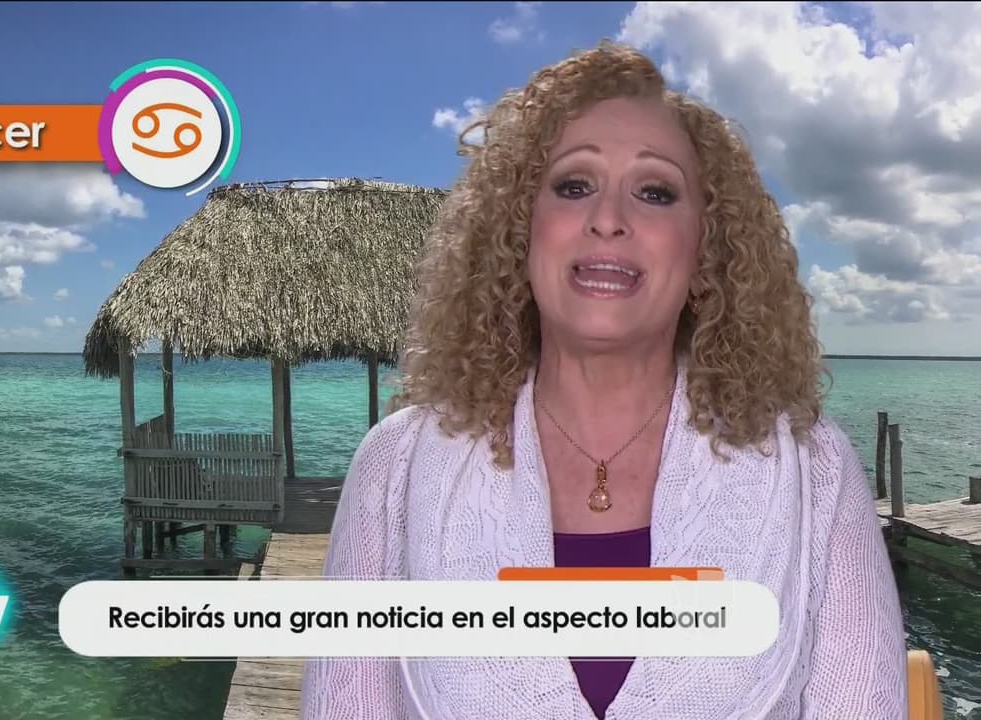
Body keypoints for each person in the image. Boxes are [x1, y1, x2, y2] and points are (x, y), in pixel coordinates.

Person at [299, 41, 907, 720]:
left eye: (655, 192)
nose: (609, 218)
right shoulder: (396, 466)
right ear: (519, 230)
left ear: (706, 249)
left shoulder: (813, 469)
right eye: (573, 185)